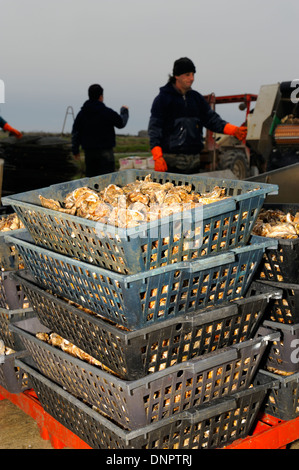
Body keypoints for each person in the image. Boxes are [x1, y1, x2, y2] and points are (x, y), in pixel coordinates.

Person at [148, 57, 247, 173]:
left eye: (193, 74)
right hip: (171, 162)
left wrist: (233, 129)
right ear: (177, 76)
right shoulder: (162, 99)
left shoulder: (196, 99)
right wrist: (157, 156)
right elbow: (155, 129)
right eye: (187, 74)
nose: (192, 78)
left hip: (194, 161)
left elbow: (212, 119)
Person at [72, 84, 129, 176]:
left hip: (89, 152)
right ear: (101, 97)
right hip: (106, 152)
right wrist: (124, 111)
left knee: (92, 180)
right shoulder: (107, 112)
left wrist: (75, 150)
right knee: (107, 180)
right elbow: (121, 123)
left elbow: (76, 132)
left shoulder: (82, 114)